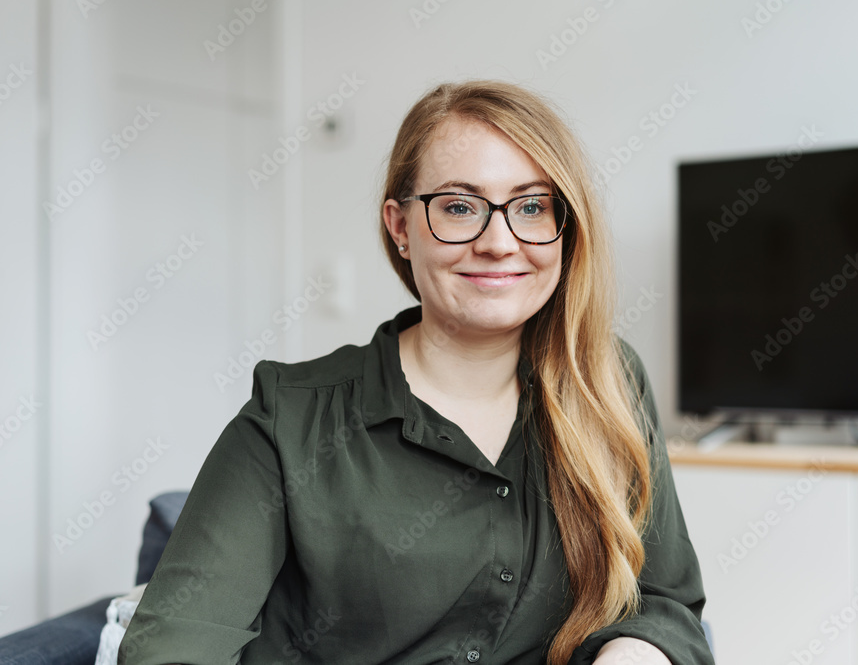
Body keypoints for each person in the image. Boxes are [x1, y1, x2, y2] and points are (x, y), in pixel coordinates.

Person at [118, 80, 714, 665]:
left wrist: (634, 651)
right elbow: (173, 646)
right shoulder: (290, 417)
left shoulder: (608, 381)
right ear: (401, 227)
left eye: (532, 206)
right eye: (459, 207)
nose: (501, 241)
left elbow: (665, 598)